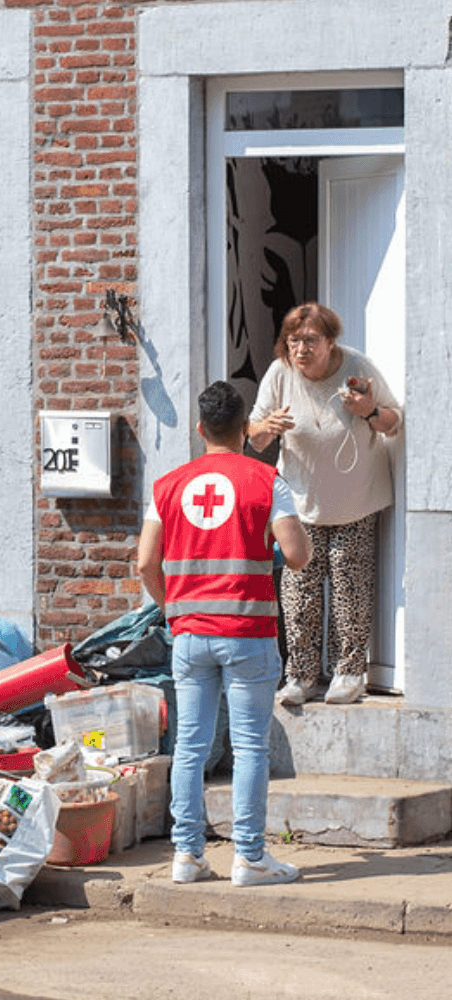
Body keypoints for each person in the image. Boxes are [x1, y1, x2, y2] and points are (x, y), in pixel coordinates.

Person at [138, 381, 312, 887]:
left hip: (190, 634)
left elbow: (146, 562)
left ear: (200, 429)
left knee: (190, 747)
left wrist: (174, 611)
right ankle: (250, 859)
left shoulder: (167, 486)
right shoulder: (266, 480)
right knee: (251, 747)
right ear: (244, 430)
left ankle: (186, 856)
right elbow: (298, 555)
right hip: (247, 631)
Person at [247, 302, 401, 706]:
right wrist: (266, 427)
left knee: (351, 590)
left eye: (310, 340)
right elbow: (254, 437)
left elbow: (393, 422)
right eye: (293, 340)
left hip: (356, 500)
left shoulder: (356, 366)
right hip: (301, 504)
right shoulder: (280, 372)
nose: (301, 349)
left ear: (330, 342)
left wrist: (369, 411)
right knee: (299, 592)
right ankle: (301, 676)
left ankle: (348, 673)